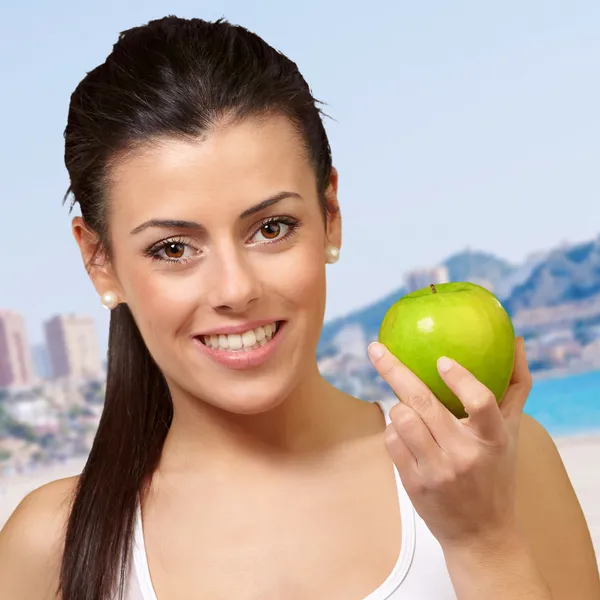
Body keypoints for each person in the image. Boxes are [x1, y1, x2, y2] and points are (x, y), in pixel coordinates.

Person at [0, 16, 598, 600]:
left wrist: (482, 543)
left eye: (271, 227)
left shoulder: (491, 470)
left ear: (330, 218)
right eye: (173, 248)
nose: (235, 290)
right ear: (100, 262)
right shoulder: (47, 547)